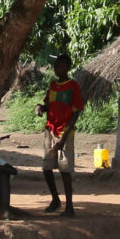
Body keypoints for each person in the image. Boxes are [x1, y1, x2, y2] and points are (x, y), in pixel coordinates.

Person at [36, 52, 83, 216]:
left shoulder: (73, 87)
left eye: (61, 66)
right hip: (50, 130)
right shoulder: (53, 86)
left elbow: (76, 113)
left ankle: (70, 206)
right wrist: (41, 108)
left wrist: (63, 138)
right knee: (46, 168)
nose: (58, 69)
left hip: (65, 133)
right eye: (56, 66)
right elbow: (48, 104)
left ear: (68, 68)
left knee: (65, 170)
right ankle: (55, 199)